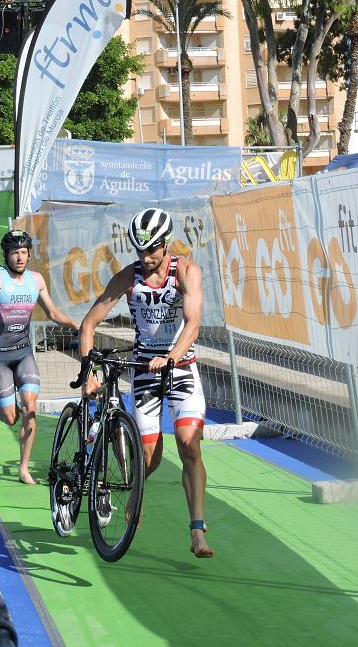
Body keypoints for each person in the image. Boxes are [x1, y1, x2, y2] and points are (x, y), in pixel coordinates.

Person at [78, 208, 213, 558]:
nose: (146, 257)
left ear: (166, 244)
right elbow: (88, 325)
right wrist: (88, 369)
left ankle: (197, 531)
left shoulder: (186, 271)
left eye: (152, 250)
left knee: (189, 445)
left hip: (180, 368)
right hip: (144, 371)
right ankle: (136, 491)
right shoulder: (128, 277)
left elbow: (193, 323)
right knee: (149, 459)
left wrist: (170, 358)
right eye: (139, 250)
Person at [0, 229, 79, 485]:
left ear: (29, 254)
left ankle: (23, 468)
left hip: (24, 353)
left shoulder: (36, 280)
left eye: (24, 252)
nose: (19, 257)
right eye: (15, 252)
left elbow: (51, 312)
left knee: (30, 408)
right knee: (11, 418)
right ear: (6, 255)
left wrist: (75, 324)